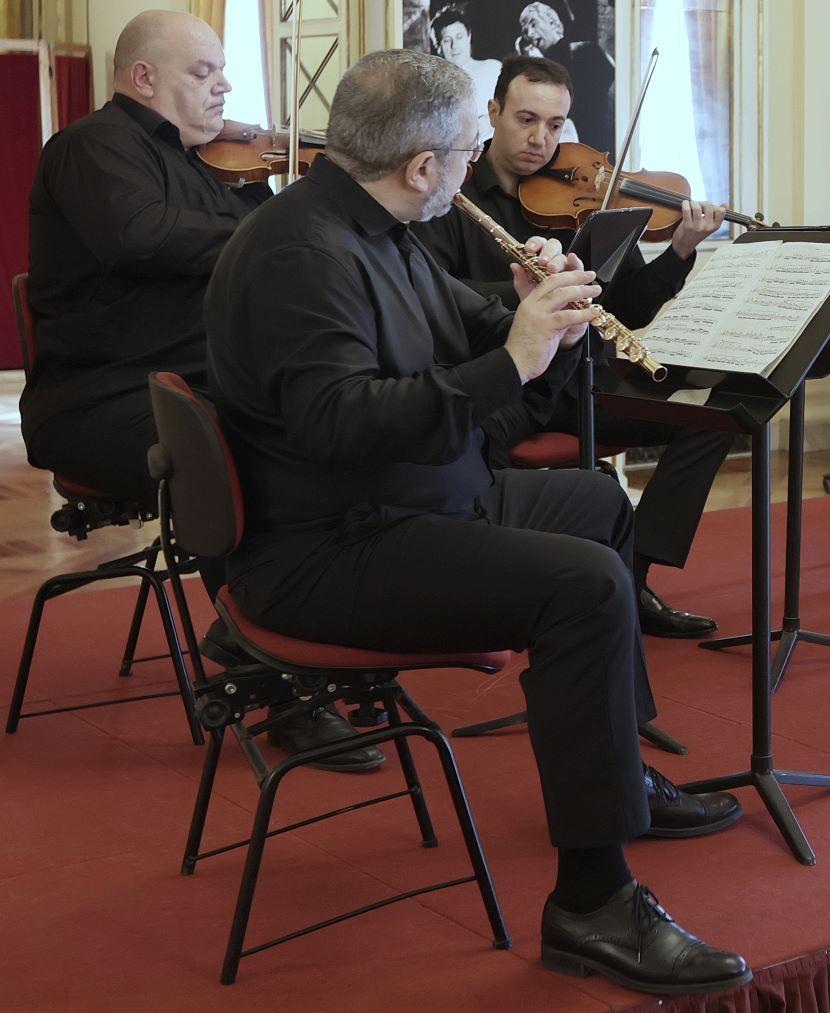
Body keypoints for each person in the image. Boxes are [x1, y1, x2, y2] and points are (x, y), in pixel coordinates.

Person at [203, 49, 748, 995]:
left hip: (404, 496)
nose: (474, 174)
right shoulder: (303, 253)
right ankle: (592, 900)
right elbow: (339, 424)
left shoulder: (370, 217)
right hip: (330, 544)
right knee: (582, 587)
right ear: (421, 164)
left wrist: (541, 303)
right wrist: (519, 356)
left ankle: (617, 769)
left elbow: (460, 310)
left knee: (592, 503)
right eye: (463, 155)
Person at [21, 8, 380, 772]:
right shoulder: (90, 147)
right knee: (240, 452)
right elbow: (141, 237)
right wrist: (280, 228)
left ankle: (336, 633)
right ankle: (271, 682)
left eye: (222, 70)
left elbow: (274, 268)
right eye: (203, 71)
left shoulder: (223, 163)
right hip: (100, 400)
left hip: (204, 384)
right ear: (143, 77)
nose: (224, 86)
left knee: (334, 425)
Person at [413, 55, 735, 639]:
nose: (542, 139)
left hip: (591, 373)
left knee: (717, 416)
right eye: (526, 119)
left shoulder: (580, 194)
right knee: (598, 479)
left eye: (556, 124)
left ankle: (633, 570)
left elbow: (630, 306)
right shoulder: (452, 195)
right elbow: (434, 296)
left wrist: (682, 249)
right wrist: (533, 297)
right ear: (493, 113)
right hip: (514, 382)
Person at [514, 1, 615, 151]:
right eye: (525, 31)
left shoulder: (583, 50)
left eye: (533, 24)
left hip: (592, 142)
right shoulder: (546, 64)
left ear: (552, 22)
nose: (529, 34)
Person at [430, 5, 502, 143]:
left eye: (459, 37)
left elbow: (514, 108)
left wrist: (492, 120)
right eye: (447, 40)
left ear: (469, 37)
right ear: (438, 46)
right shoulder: (433, 84)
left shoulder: (493, 68)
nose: (454, 45)